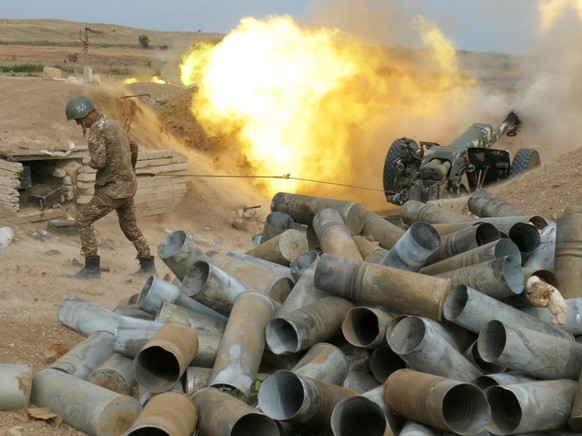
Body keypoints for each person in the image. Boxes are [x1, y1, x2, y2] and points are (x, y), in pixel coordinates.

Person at [65, 95, 155, 279]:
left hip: (114, 188)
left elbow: (99, 162)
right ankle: (148, 266)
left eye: (77, 120)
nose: (77, 124)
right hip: (128, 185)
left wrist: (87, 162)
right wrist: (130, 169)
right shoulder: (113, 123)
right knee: (130, 226)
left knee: (83, 220)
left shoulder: (97, 131)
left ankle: (91, 268)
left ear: (84, 116)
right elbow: (133, 146)